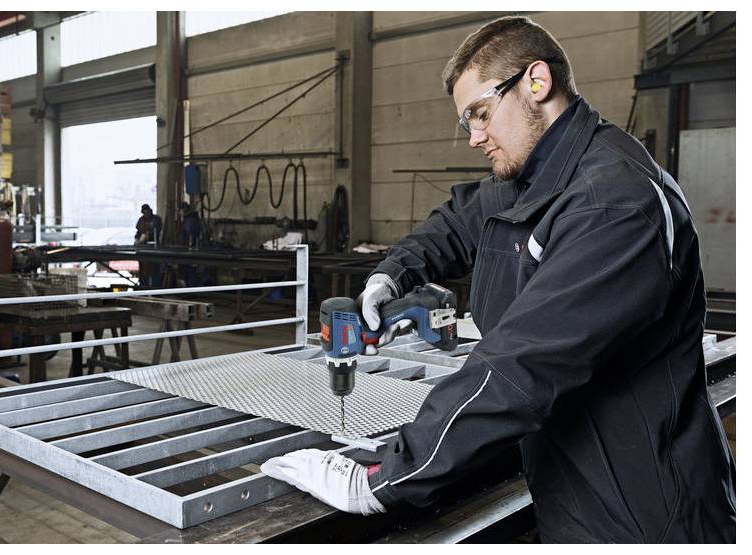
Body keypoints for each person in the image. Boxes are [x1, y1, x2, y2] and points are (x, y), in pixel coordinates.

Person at [261, 16, 736, 543]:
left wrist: (382, 479)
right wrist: (389, 277)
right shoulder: (536, 174)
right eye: (467, 122)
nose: (474, 138)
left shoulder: (616, 203)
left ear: (537, 82)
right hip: (573, 485)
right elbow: (457, 222)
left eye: (480, 114)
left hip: (644, 512)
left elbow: (519, 367)